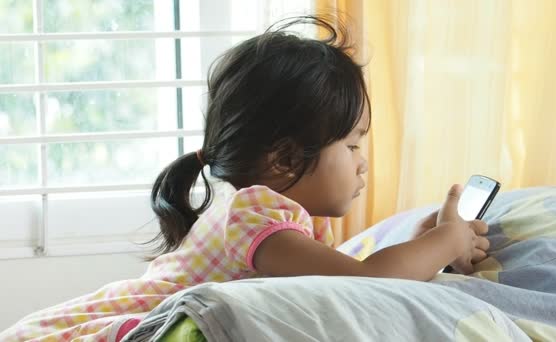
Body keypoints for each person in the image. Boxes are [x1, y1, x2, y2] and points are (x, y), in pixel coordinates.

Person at [1, 15, 488, 341]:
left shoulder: (266, 215)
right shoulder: (254, 213)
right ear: (283, 159)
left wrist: (418, 241)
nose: (363, 162)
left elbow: (349, 282)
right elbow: (368, 281)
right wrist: (449, 239)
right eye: (353, 144)